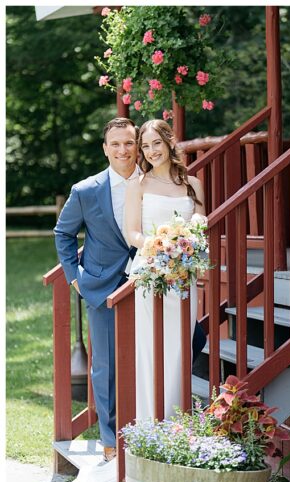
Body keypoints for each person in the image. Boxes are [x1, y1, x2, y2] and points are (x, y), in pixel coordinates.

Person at [54, 117, 141, 463]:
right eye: (116, 144)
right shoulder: (86, 190)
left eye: (129, 143)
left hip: (148, 283)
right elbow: (63, 234)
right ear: (105, 149)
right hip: (101, 288)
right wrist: (75, 277)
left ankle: (150, 427)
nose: (123, 150)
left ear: (138, 146)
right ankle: (110, 439)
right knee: (105, 366)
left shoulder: (153, 184)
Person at [122, 119, 206, 421]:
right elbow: (131, 233)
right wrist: (159, 247)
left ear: (169, 141)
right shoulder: (138, 185)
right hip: (151, 273)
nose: (151, 150)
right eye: (145, 146)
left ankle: (176, 421)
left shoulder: (192, 184)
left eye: (156, 142)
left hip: (183, 276)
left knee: (180, 347)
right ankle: (149, 422)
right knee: (152, 347)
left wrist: (185, 242)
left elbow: (199, 222)